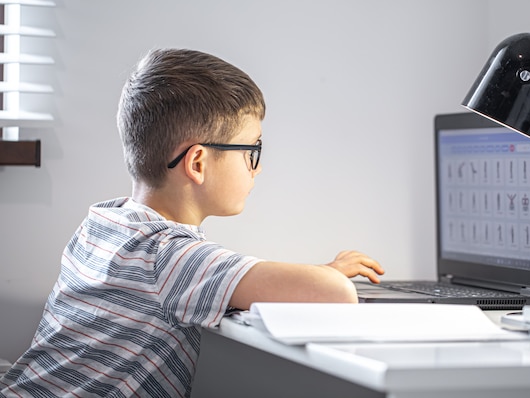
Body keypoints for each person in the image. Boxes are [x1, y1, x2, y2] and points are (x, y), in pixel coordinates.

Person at [0, 48, 384, 398]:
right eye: (252, 150)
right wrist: (329, 272)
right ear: (197, 163)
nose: (259, 166)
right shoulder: (168, 256)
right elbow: (335, 294)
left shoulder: (102, 223)